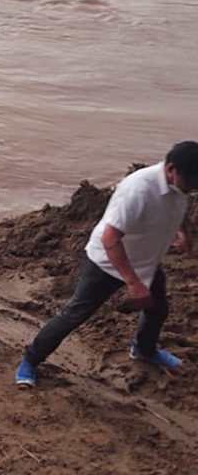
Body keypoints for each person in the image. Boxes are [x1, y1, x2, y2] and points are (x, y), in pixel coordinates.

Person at [15, 141, 198, 388]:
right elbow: (110, 239)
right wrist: (133, 283)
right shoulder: (139, 189)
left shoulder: (180, 186)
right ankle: (30, 360)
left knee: (158, 309)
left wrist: (184, 232)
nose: (193, 189)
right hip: (107, 264)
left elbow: (180, 204)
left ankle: (143, 350)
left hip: (146, 260)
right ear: (171, 169)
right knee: (75, 315)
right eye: (192, 183)